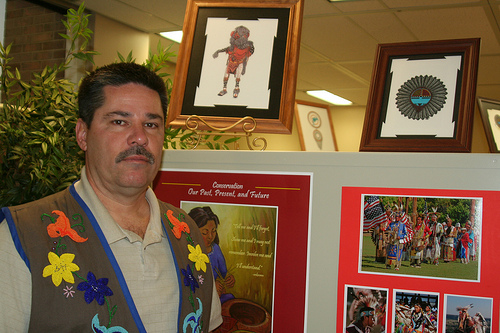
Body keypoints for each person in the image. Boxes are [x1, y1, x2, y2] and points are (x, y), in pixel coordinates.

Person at [0, 63, 222, 332]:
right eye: (119, 121)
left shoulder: (188, 232)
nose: (139, 137)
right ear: (83, 134)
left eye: (151, 124)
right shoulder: (21, 238)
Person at [188, 206, 236, 304]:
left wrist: (228, 278)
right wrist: (212, 287)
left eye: (213, 231)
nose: (210, 236)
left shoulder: (216, 249)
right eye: (205, 233)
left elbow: (223, 273)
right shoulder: (188, 252)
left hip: (215, 298)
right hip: (197, 300)